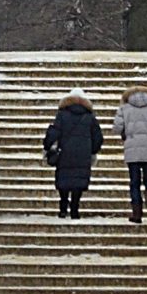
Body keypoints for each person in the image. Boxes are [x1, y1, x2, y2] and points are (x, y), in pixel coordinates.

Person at [42, 88, 104, 218]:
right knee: (79, 181)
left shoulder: (62, 115)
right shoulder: (89, 117)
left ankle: (63, 206)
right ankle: (75, 208)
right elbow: (98, 137)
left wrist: (48, 146)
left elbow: (54, 132)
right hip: (83, 155)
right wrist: (92, 150)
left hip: (65, 153)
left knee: (64, 179)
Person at [114, 87, 147, 223]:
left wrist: (125, 134)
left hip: (132, 147)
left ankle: (137, 214)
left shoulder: (124, 108)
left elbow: (117, 128)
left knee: (134, 182)